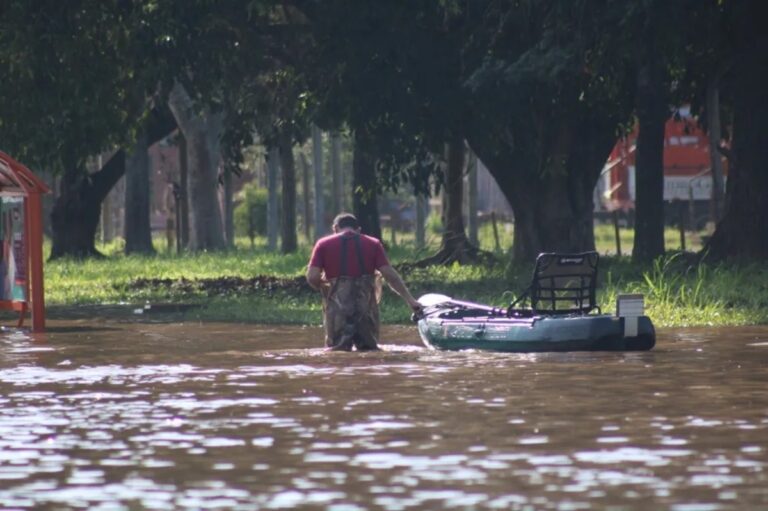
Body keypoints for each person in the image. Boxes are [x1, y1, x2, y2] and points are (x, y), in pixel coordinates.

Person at [306, 212, 422, 351]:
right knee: (369, 351)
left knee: (337, 352)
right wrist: (411, 301)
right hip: (365, 310)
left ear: (335, 228)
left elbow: (312, 276)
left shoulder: (323, 244)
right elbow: (390, 275)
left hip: (337, 312)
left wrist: (324, 287)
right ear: (358, 230)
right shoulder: (373, 244)